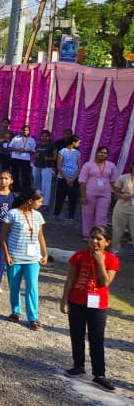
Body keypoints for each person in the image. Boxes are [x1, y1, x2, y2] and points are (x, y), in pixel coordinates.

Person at [62, 227, 118, 392]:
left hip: (98, 305)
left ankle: (99, 374)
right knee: (76, 334)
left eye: (99, 239)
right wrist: (64, 300)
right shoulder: (79, 255)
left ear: (107, 242)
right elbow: (70, 279)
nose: (94, 241)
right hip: (77, 301)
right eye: (93, 237)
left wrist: (100, 262)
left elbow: (105, 282)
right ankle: (78, 365)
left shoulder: (112, 259)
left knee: (96, 338)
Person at [2, 187, 48, 330]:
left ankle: (33, 318)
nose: (41, 204)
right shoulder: (12, 214)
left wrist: (44, 253)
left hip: (33, 259)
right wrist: (6, 255)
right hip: (15, 257)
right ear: (30, 201)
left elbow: (40, 236)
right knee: (14, 286)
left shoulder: (38, 216)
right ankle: (16, 311)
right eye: (39, 201)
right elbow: (3, 236)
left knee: (32, 287)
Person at [79, 146, 115, 239]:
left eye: (105, 153)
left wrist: (116, 193)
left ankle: (99, 235)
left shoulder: (111, 165)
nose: (103, 154)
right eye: (101, 152)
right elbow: (82, 181)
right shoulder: (88, 165)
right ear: (96, 153)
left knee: (102, 215)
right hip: (89, 193)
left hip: (105, 194)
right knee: (88, 214)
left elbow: (113, 181)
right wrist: (83, 196)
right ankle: (87, 234)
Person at [54, 136, 82, 221]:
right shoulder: (62, 151)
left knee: (73, 197)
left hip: (74, 178)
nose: (79, 144)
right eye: (78, 142)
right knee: (60, 197)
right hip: (63, 178)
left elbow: (79, 166)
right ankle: (56, 214)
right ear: (73, 142)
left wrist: (73, 179)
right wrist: (67, 178)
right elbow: (59, 166)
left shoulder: (77, 153)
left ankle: (71, 216)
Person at [113, 161, 134, 256]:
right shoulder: (123, 177)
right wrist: (122, 196)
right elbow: (115, 192)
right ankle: (115, 250)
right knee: (117, 229)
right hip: (122, 206)